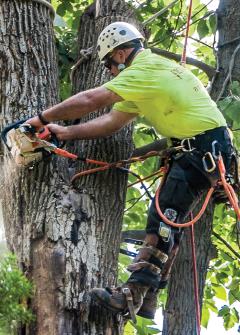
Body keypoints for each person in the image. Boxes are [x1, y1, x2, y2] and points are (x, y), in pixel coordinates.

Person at [27, 22, 234, 320]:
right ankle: (148, 297)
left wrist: (41, 118)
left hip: (202, 149)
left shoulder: (144, 69)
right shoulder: (149, 76)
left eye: (111, 63)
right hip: (202, 148)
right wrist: (65, 133)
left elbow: (90, 100)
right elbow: (112, 122)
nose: (111, 72)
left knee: (162, 217)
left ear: (123, 53)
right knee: (168, 219)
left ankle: (132, 296)